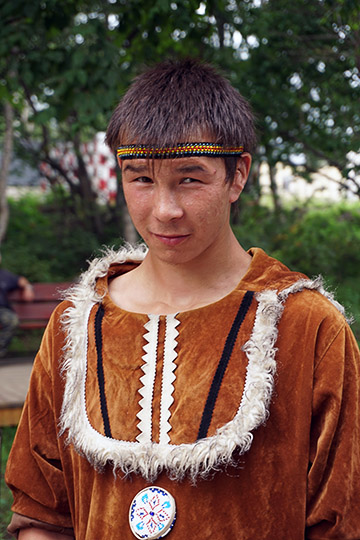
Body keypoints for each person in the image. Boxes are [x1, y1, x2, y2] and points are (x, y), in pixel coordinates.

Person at [5, 59, 360, 539]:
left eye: (190, 178)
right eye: (141, 178)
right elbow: (42, 515)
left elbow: (341, 521)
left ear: (237, 176)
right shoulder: (75, 326)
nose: (165, 210)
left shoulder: (308, 327)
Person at [0, 253, 34, 357]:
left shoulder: (5, 275)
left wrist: (28, 288)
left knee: (12, 321)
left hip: (2, 310)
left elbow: (21, 281)